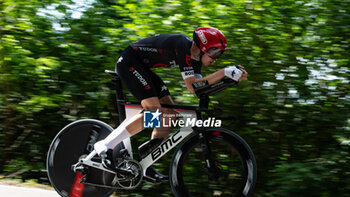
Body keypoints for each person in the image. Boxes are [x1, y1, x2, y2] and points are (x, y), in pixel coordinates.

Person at [94, 27, 248, 182]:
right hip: (129, 63)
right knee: (154, 111)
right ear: (204, 47)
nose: (216, 58)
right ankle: (105, 145)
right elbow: (192, 85)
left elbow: (199, 88)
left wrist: (229, 80)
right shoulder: (183, 45)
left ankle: (145, 165)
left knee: (169, 114)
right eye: (216, 53)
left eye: (219, 54)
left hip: (142, 68)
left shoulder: (195, 60)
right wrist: (223, 72)